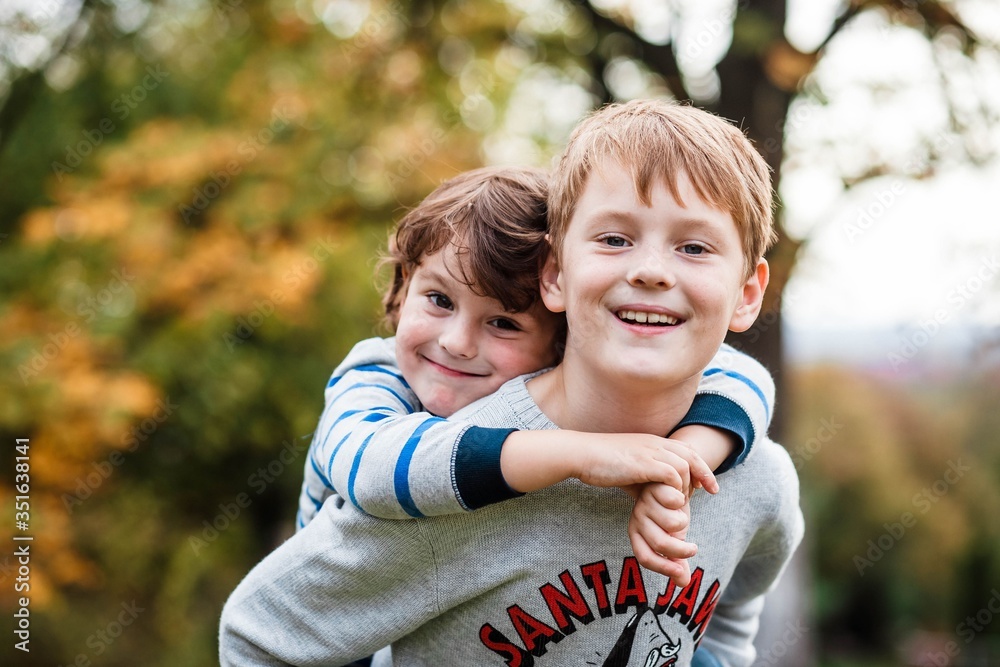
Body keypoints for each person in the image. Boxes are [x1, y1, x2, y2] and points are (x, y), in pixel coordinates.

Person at [220, 99, 804, 667]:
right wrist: (576, 455)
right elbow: (259, 633)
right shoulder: (453, 482)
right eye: (614, 238)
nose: (650, 269)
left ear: (748, 294)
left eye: (694, 247)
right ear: (555, 274)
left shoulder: (755, 478)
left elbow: (738, 596)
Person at [297, 166, 775, 584]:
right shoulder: (374, 376)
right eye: (439, 300)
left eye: (503, 323)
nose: (456, 343)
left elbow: (743, 377)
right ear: (402, 289)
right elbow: (371, 472)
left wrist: (679, 466)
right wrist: (579, 453)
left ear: (562, 340)